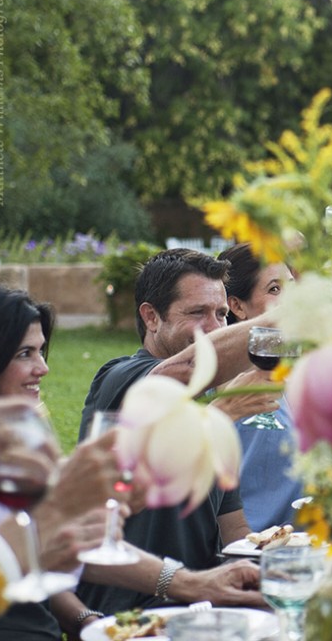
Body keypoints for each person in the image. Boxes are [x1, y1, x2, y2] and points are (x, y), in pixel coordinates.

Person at [75, 249, 270, 616]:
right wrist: (289, 320)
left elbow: (236, 532)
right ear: (151, 317)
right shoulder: (121, 378)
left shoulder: (208, 413)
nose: (215, 328)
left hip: (201, 607)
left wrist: (278, 561)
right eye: (197, 313)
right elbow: (191, 367)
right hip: (127, 613)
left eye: (222, 314)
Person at [0, 286, 119, 639]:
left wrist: (85, 619)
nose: (42, 368)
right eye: (24, 354)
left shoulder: (19, 435)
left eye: (41, 351)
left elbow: (36, 555)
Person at [219, 244, 302, 531]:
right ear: (237, 306)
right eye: (275, 290)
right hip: (257, 549)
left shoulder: (291, 372)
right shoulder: (230, 388)